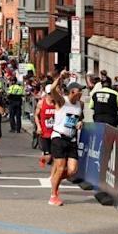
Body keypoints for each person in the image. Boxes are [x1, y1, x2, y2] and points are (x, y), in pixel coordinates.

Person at [48, 71, 84, 206]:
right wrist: (60, 78)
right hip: (59, 137)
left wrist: (80, 123)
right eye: (79, 91)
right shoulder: (62, 101)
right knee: (61, 167)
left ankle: (54, 179)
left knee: (72, 170)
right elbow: (52, 89)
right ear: (72, 91)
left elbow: (78, 119)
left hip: (71, 139)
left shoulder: (80, 105)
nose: (81, 93)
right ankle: (53, 195)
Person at [35, 84, 56, 169]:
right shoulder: (41, 103)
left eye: (52, 93)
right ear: (46, 94)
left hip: (55, 133)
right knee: (48, 156)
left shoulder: (57, 103)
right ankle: (43, 159)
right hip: (44, 132)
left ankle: (54, 171)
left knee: (54, 155)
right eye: (49, 94)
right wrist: (38, 127)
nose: (51, 96)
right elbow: (36, 115)